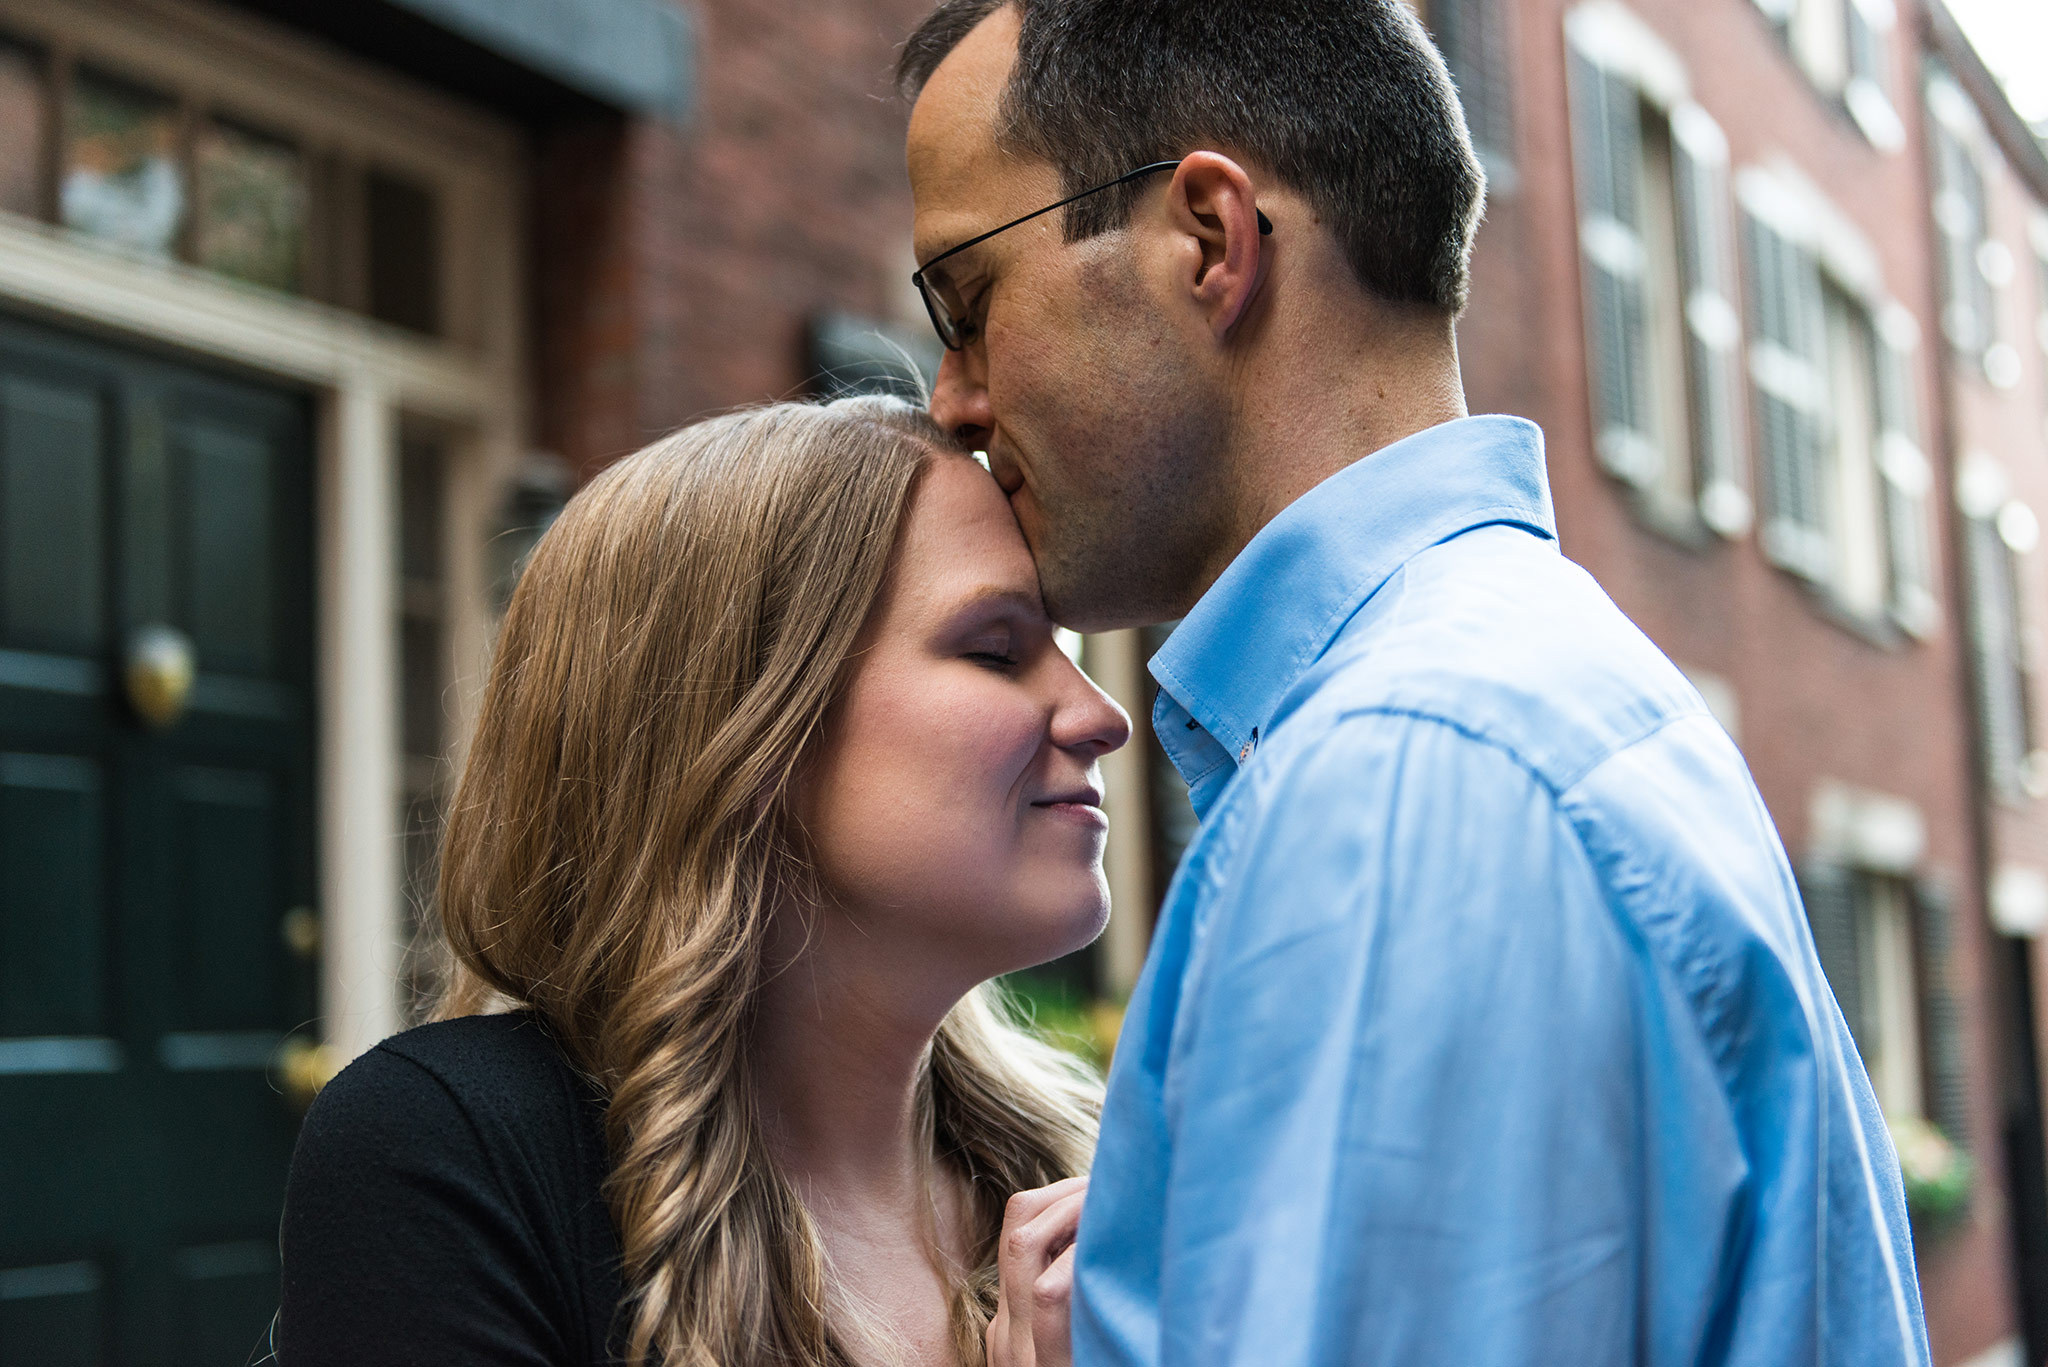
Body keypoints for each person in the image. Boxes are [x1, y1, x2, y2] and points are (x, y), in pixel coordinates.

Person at [897, 2, 1929, 1364]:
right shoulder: (1518, 692)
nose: (952, 398)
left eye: (966, 305)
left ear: (1210, 238)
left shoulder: (1400, 780)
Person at [276, 397, 1131, 1367]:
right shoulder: (455, 1153)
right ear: (744, 728)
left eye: (1063, 654)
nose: (1101, 714)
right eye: (993, 649)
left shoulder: (1097, 1182)